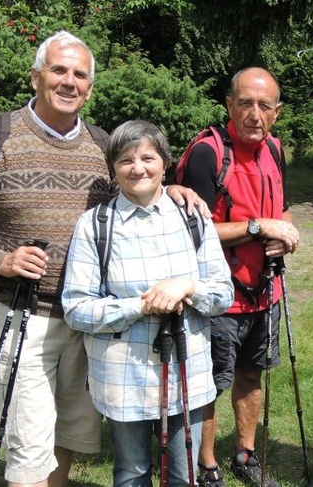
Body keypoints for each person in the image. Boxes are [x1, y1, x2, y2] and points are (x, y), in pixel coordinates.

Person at [0, 31, 204, 487]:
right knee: (28, 435)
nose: (69, 81)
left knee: (68, 430)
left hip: (93, 318)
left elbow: (138, 187)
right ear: (37, 76)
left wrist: (171, 189)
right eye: (59, 70)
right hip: (23, 310)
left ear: (90, 86)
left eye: (80, 74)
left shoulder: (103, 147)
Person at [61, 120, 234, 486]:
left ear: (165, 163)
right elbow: (76, 309)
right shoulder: (95, 225)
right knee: (131, 471)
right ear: (113, 169)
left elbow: (222, 293)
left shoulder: (192, 216)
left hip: (188, 369)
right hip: (124, 376)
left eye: (147, 157)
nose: (138, 168)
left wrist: (187, 287)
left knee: (183, 472)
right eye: (125, 160)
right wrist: (141, 306)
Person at [180, 67, 300, 487]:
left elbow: (281, 209)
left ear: (277, 111)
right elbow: (191, 231)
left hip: (266, 292)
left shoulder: (276, 150)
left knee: (251, 375)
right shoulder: (207, 154)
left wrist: (285, 233)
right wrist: (259, 227)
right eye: (245, 103)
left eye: (264, 105)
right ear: (228, 104)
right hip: (219, 297)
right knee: (211, 382)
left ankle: (245, 455)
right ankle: (207, 464)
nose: (254, 113)